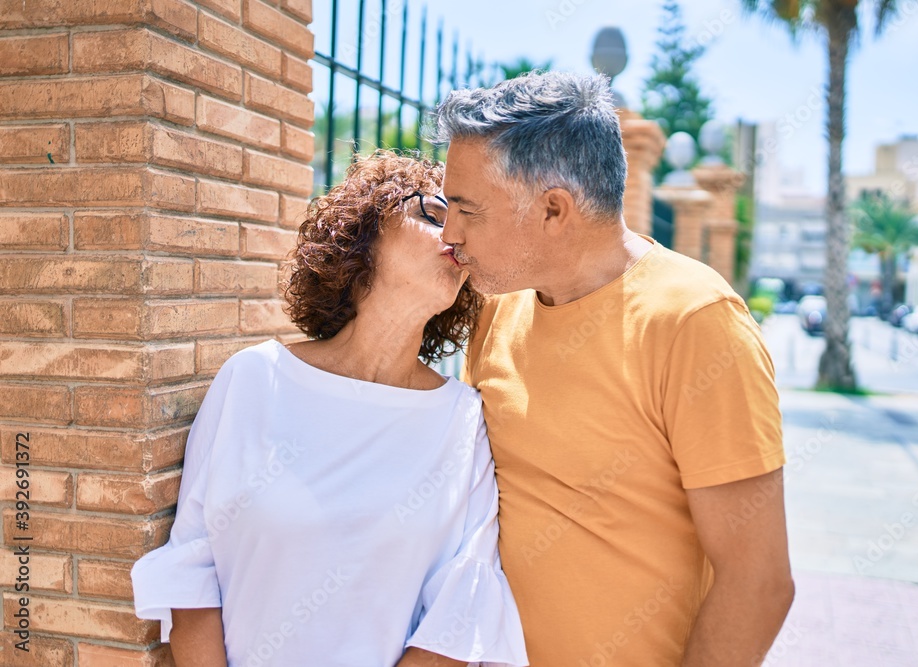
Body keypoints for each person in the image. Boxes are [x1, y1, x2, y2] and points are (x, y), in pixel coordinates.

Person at [433, 71, 795, 666]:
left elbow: (758, 583)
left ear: (554, 210)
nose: (450, 233)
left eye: (468, 209)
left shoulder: (696, 322)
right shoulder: (499, 309)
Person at [130, 151, 528, 667]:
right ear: (363, 237)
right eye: (432, 213)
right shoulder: (253, 379)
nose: (454, 235)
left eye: (465, 223)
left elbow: (459, 613)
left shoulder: (463, 420)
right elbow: (192, 569)